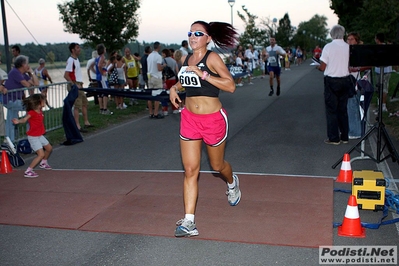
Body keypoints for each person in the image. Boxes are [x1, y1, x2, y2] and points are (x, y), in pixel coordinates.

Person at [169, 20, 241, 237]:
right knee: (190, 170)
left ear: (208, 38)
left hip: (213, 120)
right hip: (189, 118)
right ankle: (189, 222)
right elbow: (185, 81)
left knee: (217, 166)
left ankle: (232, 181)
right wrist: (174, 88)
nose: (193, 37)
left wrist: (205, 75)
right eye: (190, 33)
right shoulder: (186, 58)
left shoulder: (213, 58)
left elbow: (230, 85)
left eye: (198, 33)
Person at [317, 25, 351, 145]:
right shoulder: (348, 47)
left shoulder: (328, 47)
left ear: (332, 34)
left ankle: (334, 137)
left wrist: (318, 66)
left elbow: (322, 67)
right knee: (343, 109)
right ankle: (345, 135)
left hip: (332, 80)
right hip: (345, 79)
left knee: (331, 110)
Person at [12, 94, 52, 178]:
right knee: (40, 154)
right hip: (33, 137)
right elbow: (24, 119)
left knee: (49, 148)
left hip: (39, 135)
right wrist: (18, 121)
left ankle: (43, 163)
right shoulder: (32, 113)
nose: (45, 101)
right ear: (39, 102)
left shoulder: (40, 110)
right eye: (43, 100)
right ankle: (29, 170)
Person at [4, 55, 39, 142]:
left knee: (11, 120)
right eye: (27, 63)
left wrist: (31, 72)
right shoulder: (15, 72)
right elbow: (27, 84)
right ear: (23, 64)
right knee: (31, 107)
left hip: (13, 100)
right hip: (10, 100)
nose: (28, 65)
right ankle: (31, 135)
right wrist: (30, 83)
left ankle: (9, 141)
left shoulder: (22, 74)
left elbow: (36, 83)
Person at [63, 42, 92, 132]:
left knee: (84, 103)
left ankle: (86, 122)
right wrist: (74, 85)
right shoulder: (71, 60)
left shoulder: (76, 59)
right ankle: (77, 126)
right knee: (77, 105)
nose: (79, 49)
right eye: (77, 48)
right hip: (75, 85)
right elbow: (66, 75)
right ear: (73, 50)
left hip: (80, 83)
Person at [91, 43, 113, 115]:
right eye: (105, 48)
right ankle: (105, 109)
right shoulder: (102, 57)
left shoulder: (97, 58)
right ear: (103, 50)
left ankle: (101, 108)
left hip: (98, 77)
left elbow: (97, 65)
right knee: (105, 92)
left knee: (100, 93)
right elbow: (99, 65)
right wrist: (102, 72)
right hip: (102, 77)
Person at [146, 41, 165, 119]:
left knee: (150, 95)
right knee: (157, 95)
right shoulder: (158, 57)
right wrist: (163, 66)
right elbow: (159, 68)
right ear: (159, 47)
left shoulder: (149, 56)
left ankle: (150, 112)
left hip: (150, 76)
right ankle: (156, 113)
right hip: (157, 77)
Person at [375, 32, 392, 113]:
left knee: (383, 88)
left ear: (377, 39)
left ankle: (383, 106)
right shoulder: (387, 48)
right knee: (381, 88)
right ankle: (380, 106)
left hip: (384, 71)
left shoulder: (378, 48)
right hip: (381, 71)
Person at [161, 48, 179, 115]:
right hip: (173, 78)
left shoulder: (164, 60)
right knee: (173, 93)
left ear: (165, 54)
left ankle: (165, 109)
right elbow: (177, 71)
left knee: (165, 94)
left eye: (162, 53)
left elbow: (162, 70)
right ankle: (175, 108)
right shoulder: (174, 61)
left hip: (166, 79)